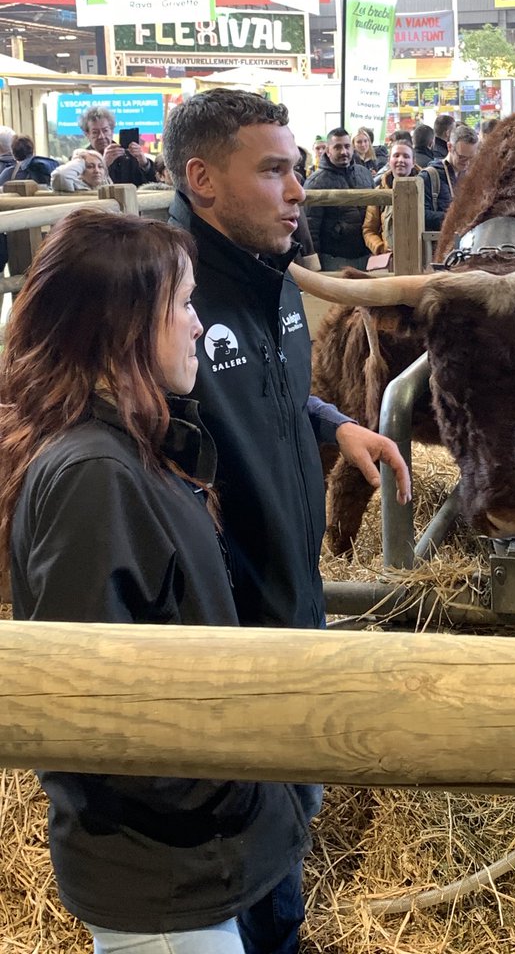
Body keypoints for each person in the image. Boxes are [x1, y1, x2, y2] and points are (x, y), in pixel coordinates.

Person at [0, 210, 311, 953]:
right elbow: (87, 711)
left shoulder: (132, 447)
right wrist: (233, 786)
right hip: (167, 879)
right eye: (183, 304)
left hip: (191, 858)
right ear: (125, 325)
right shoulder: (95, 477)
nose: (199, 325)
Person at [163, 89, 410, 954]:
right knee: (243, 838)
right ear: (202, 179)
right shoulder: (166, 298)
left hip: (291, 603)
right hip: (223, 640)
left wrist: (330, 422)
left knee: (289, 817)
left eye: (298, 168)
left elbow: (258, 383)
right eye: (273, 170)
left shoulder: (274, 276)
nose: (298, 189)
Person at [304, 126, 375, 270]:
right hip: (334, 259)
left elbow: (375, 214)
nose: (344, 152)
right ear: (328, 150)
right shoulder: (316, 182)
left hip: (367, 255)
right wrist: (315, 267)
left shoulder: (364, 174)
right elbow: (311, 229)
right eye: (337, 147)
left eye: (347, 146)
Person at [363, 135, 417, 259]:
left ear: (413, 162)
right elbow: (369, 229)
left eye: (406, 156)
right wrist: (381, 248)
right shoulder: (379, 192)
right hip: (389, 260)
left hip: (419, 258)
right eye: (396, 155)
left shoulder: (426, 188)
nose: (401, 160)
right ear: (389, 160)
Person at [421, 124, 479, 233]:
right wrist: (456, 217)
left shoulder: (473, 176)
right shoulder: (429, 176)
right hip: (438, 243)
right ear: (449, 147)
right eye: (462, 157)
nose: (467, 163)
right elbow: (421, 214)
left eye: (471, 158)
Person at [78, 105, 155, 187]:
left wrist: (144, 164)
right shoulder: (80, 159)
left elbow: (152, 185)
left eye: (105, 130)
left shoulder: (129, 156)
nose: (102, 136)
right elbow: (80, 187)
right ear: (87, 134)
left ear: (112, 131)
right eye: (95, 132)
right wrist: (103, 165)